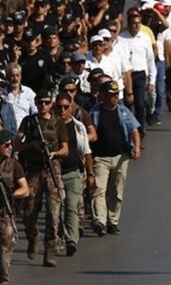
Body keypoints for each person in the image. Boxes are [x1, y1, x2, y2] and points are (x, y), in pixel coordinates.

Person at [13, 89, 69, 267]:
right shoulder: (29, 122)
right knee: (28, 212)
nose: (43, 106)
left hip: (52, 170)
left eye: (46, 102)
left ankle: (49, 250)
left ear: (51, 103)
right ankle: (32, 237)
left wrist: (54, 153)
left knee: (54, 213)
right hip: (33, 171)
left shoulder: (58, 122)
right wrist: (31, 144)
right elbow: (16, 144)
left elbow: (66, 148)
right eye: (40, 103)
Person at [89, 80, 141, 237]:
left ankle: (113, 221)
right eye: (112, 95)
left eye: (117, 94)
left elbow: (134, 130)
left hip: (120, 157)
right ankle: (100, 221)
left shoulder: (123, 111)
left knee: (116, 191)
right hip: (101, 159)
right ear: (103, 96)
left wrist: (137, 147)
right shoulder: (95, 113)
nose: (115, 98)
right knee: (99, 189)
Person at [55, 90, 95, 256]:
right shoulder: (50, 126)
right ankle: (59, 238)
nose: (62, 111)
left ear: (71, 108)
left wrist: (90, 173)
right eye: (59, 107)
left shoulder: (78, 127)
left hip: (73, 172)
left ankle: (71, 239)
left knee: (71, 206)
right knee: (59, 209)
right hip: (55, 174)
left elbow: (86, 151)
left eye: (66, 107)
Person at [0, 129, 29, 284]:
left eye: (11, 144)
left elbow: (25, 189)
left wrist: (11, 195)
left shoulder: (14, 165)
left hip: (4, 214)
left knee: (5, 251)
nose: (10, 147)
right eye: (6, 145)